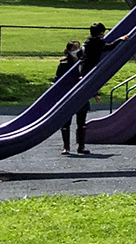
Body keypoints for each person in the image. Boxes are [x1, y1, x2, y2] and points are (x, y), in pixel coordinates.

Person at [73, 22, 128, 155]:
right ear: (100, 32)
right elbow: (108, 47)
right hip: (89, 68)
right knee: (86, 89)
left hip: (84, 67)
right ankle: (94, 93)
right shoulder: (97, 42)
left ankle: (77, 145)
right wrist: (120, 39)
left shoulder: (89, 40)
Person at [55, 40, 83, 154]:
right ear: (68, 51)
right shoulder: (63, 64)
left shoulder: (83, 63)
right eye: (74, 49)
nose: (77, 51)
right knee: (66, 122)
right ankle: (66, 146)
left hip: (81, 94)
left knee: (81, 122)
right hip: (67, 95)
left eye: (78, 48)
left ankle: (81, 146)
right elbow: (57, 80)